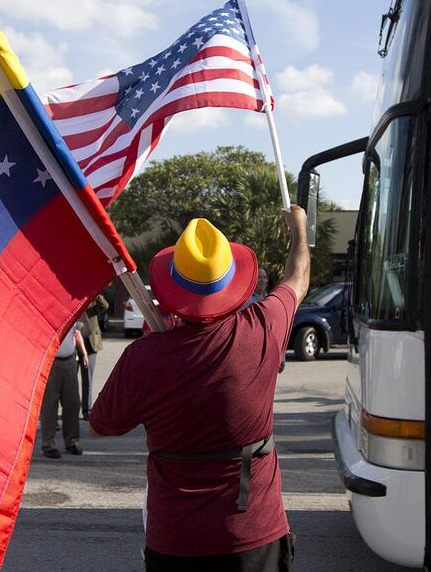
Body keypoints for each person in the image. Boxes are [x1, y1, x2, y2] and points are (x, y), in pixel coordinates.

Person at [89, 207, 309, 572]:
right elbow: (298, 279)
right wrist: (299, 229)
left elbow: (100, 425)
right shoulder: (264, 328)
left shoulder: (143, 357)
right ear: (231, 280)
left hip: (175, 540)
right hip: (252, 534)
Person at [39, 309, 88, 458]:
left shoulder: (71, 311)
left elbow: (81, 332)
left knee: (73, 403)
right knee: (50, 404)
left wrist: (84, 353)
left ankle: (71, 441)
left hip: (70, 360)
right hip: (51, 362)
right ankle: (48, 444)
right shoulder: (50, 310)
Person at [79, 296, 106, 419]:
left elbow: (105, 306)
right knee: (70, 379)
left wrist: (96, 294)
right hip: (74, 342)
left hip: (91, 343)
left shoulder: (93, 300)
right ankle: (70, 410)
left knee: (88, 378)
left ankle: (87, 409)